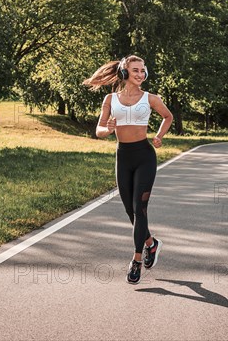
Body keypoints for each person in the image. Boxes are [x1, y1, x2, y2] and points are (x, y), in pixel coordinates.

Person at [83, 55, 173, 284]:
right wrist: (108, 128)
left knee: (139, 208)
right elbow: (99, 130)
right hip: (122, 157)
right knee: (129, 211)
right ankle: (151, 244)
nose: (140, 75)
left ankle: (136, 261)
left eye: (143, 71)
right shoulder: (110, 99)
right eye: (135, 71)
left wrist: (159, 136)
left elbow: (167, 116)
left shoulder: (151, 98)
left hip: (145, 156)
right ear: (125, 73)